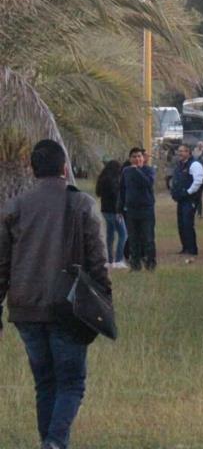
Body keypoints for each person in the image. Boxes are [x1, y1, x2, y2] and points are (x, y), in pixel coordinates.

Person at [0, 139, 113, 449]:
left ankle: (48, 442)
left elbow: (2, 263)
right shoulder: (82, 204)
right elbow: (98, 259)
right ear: (65, 167)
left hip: (25, 309)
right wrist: (105, 300)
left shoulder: (15, 207)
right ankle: (54, 442)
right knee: (72, 383)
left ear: (32, 169)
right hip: (68, 308)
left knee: (45, 383)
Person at [119, 147, 156, 271]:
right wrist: (119, 207)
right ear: (130, 159)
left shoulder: (149, 170)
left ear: (143, 158)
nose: (137, 159)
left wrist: (137, 171)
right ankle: (135, 265)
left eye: (139, 156)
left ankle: (150, 264)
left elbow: (148, 183)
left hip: (146, 209)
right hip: (131, 209)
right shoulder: (125, 171)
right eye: (134, 156)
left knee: (148, 238)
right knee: (133, 239)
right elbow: (122, 189)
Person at [171, 144, 203, 259]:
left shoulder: (195, 164)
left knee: (188, 223)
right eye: (179, 151)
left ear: (188, 152)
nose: (180, 153)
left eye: (182, 151)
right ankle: (185, 247)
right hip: (181, 199)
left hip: (190, 199)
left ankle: (192, 249)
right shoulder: (180, 165)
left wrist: (188, 192)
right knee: (181, 224)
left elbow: (198, 181)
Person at [95, 160, 128, 269]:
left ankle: (109, 260)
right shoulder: (114, 181)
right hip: (115, 211)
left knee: (110, 235)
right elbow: (116, 197)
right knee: (123, 234)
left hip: (105, 210)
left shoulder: (102, 179)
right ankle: (118, 259)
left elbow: (98, 193)